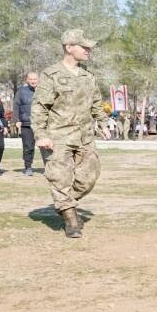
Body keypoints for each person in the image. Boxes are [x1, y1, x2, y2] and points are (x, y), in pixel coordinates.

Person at [32, 29, 111, 238]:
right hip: (58, 136)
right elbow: (40, 107)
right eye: (84, 46)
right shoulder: (51, 75)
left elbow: (96, 103)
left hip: (85, 135)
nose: (88, 50)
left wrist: (103, 123)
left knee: (89, 177)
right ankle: (70, 220)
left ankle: (65, 202)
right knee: (59, 178)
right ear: (69, 47)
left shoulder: (88, 76)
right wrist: (41, 134)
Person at [14, 72, 38, 175]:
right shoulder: (21, 91)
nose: (33, 81)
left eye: (35, 79)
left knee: (46, 146)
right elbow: (16, 105)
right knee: (28, 146)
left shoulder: (44, 90)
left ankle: (49, 167)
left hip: (42, 124)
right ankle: (28, 167)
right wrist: (17, 119)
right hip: (26, 123)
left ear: (38, 80)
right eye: (31, 79)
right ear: (27, 80)